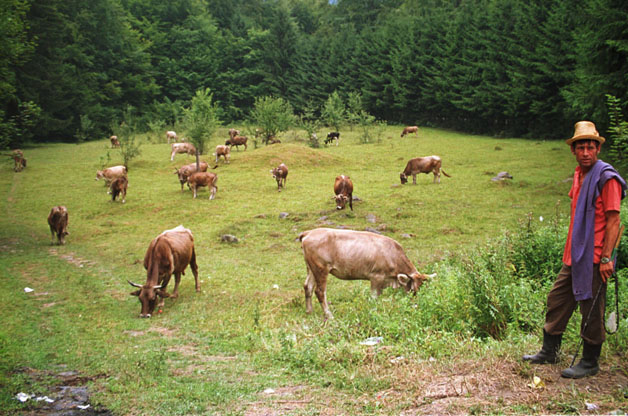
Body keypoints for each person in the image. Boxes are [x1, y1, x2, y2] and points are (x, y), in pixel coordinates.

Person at [523, 120, 626, 378]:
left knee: (590, 308)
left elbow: (614, 221)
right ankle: (549, 351)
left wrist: (606, 259)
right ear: (574, 151)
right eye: (581, 148)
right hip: (575, 255)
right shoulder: (580, 175)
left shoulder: (606, 178)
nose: (586, 152)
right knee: (557, 300)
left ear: (598, 149)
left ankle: (590, 362)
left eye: (590, 147)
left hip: (594, 257)